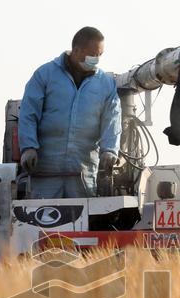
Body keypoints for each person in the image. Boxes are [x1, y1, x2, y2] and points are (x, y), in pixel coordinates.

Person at [18, 26, 122, 199]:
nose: (96, 60)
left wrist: (110, 150)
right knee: (45, 220)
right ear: (76, 50)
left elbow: (112, 118)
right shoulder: (45, 75)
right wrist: (28, 147)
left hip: (83, 172)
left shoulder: (105, 83)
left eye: (99, 55)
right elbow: (29, 113)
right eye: (92, 55)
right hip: (46, 171)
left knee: (83, 223)